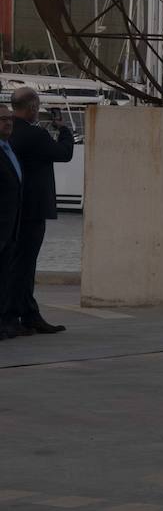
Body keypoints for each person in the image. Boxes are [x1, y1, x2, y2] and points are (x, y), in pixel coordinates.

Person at [8, 87, 74, 335]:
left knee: (17, 263)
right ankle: (21, 315)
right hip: (33, 209)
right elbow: (64, 153)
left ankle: (26, 313)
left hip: (14, 208)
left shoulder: (10, 132)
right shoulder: (35, 135)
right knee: (25, 265)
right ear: (33, 107)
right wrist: (63, 129)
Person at [0, 103, 23, 340]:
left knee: (5, 277)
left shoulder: (9, 149)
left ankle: (4, 321)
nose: (8, 123)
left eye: (10, 119)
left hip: (10, 229)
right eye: (3, 119)